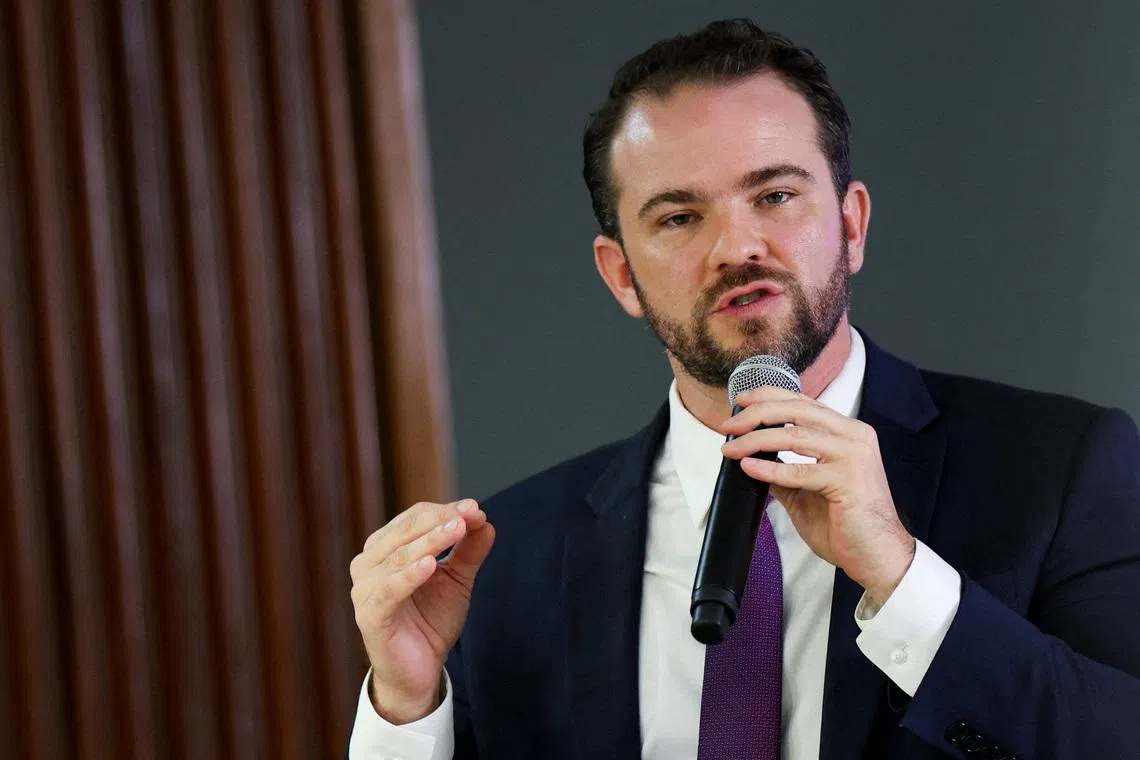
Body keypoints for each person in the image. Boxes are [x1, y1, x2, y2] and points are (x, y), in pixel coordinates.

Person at [346, 19, 1140, 760]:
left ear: (852, 225)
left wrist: (902, 580)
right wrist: (408, 712)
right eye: (679, 218)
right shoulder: (509, 553)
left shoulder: (1062, 471)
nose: (738, 247)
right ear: (621, 274)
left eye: (775, 196)